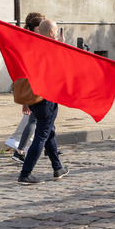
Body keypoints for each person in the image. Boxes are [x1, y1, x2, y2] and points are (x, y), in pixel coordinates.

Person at [17, 19, 69, 184]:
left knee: (49, 132)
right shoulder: (50, 48)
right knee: (41, 135)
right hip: (46, 99)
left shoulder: (33, 46)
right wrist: (62, 46)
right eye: (56, 31)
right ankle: (25, 173)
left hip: (35, 97)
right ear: (52, 33)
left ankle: (57, 167)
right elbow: (62, 67)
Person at [7, 11, 45, 163]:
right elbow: (26, 72)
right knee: (34, 120)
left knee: (44, 121)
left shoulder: (33, 42)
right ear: (37, 28)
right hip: (35, 88)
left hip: (40, 86)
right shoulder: (31, 44)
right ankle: (20, 149)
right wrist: (25, 101)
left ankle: (49, 151)